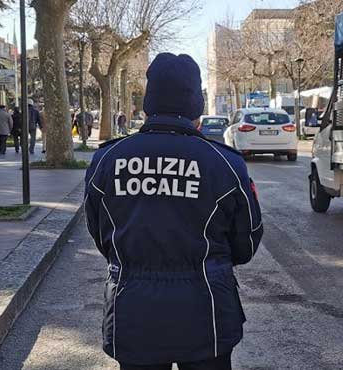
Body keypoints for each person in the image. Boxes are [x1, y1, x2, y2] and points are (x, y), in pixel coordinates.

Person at [84, 53, 263, 370]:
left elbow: (101, 236)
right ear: (197, 105)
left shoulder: (107, 160)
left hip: (133, 313)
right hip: (206, 314)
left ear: (148, 103)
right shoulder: (225, 163)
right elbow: (246, 243)